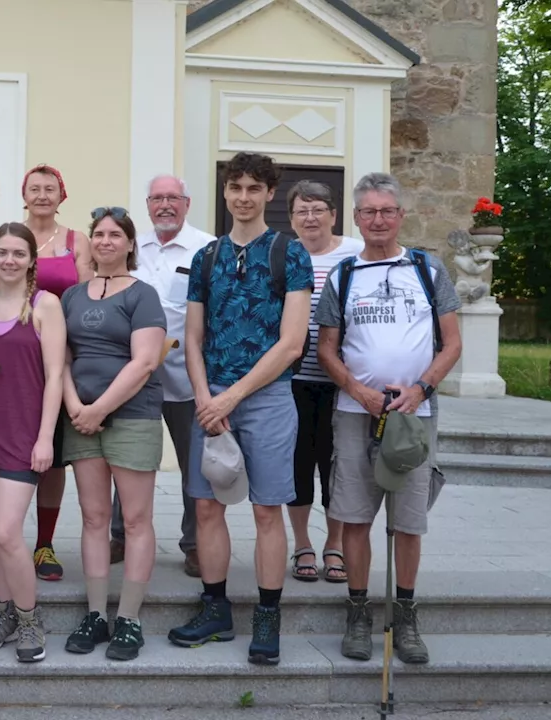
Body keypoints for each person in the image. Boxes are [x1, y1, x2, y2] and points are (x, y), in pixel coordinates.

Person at [170, 152, 313, 666]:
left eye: (255, 187)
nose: (244, 196)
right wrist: (206, 396)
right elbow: (191, 335)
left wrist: (233, 396)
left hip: (268, 399)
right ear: (225, 192)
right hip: (211, 399)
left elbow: (292, 342)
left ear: (270, 193)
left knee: (266, 509)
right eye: (236, 187)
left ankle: (268, 616)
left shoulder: (289, 253)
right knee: (207, 506)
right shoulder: (206, 257)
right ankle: (215, 608)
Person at [315, 172, 461, 665]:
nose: (378, 219)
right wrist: (357, 389)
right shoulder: (344, 274)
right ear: (356, 218)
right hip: (357, 412)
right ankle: (358, 612)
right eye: (368, 211)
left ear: (400, 216)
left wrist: (420, 389)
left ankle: (406, 614)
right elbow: (327, 349)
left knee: (409, 521)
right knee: (355, 517)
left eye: (387, 211)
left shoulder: (428, 269)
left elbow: (453, 342)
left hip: (414, 415)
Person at [60, 207, 166, 661]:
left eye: (114, 235)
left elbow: (144, 361)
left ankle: (129, 619)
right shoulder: (71, 295)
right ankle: (96, 614)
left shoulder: (144, 295)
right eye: (98, 234)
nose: (105, 241)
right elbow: (60, 359)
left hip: (132, 415)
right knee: (93, 517)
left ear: (128, 244)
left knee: (137, 520)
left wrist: (99, 409)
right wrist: (75, 408)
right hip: (81, 416)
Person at [0, 222, 65, 663]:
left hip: (24, 433)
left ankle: (29, 617)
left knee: (7, 531)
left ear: (30, 260)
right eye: (1, 253)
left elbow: (56, 376)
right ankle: (3, 611)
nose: (9, 260)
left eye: (18, 253)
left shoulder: (45, 305)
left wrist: (45, 439)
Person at [122, 174, 216, 578]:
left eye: (172, 198)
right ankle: (117, 535)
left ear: (187, 203)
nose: (164, 205)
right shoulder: (132, 247)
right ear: (147, 204)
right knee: (125, 457)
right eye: (157, 198)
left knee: (193, 462)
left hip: (186, 374)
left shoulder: (207, 248)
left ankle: (195, 543)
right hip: (132, 375)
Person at [286, 180, 363, 584]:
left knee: (338, 466)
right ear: (293, 218)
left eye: (318, 209)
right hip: (293, 382)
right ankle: (302, 543)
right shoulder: (284, 254)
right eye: (302, 210)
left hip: (343, 382)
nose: (310, 218)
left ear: (333, 214)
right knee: (297, 465)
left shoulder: (354, 254)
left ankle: (334, 544)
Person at [21, 164, 92, 583]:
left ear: (62, 195)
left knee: (54, 458)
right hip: (16, 353)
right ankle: (2, 533)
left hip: (62, 355)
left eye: (50, 189)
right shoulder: (10, 233)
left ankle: (44, 542)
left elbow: (82, 298)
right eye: (35, 188)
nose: (43, 195)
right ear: (24, 194)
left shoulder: (75, 241)